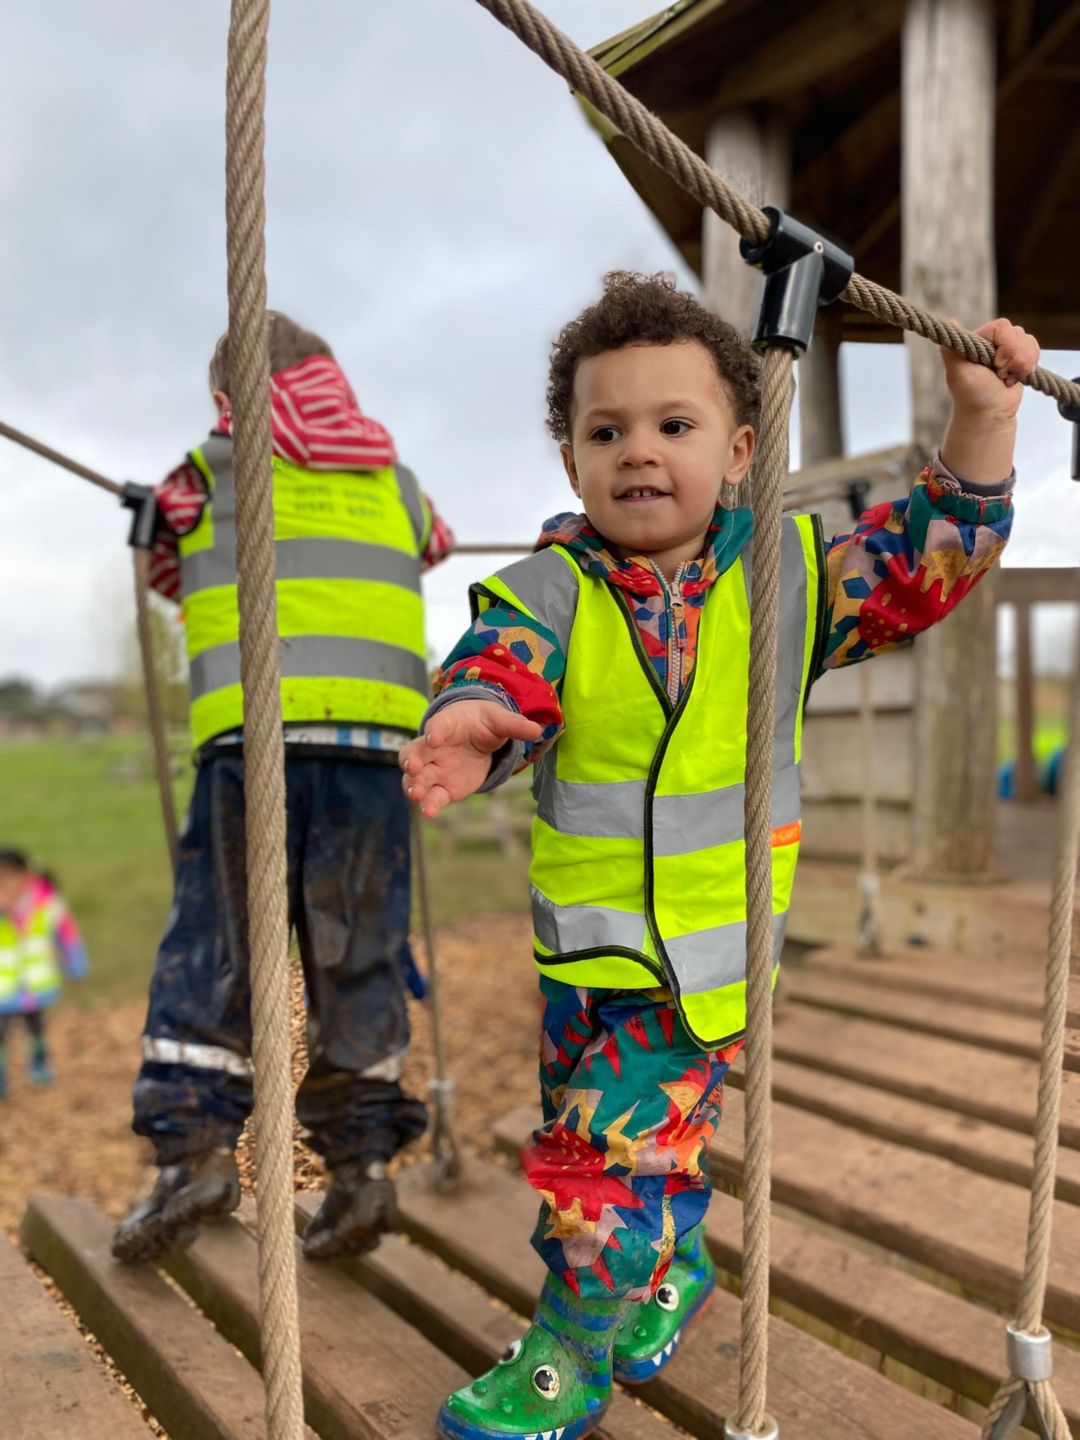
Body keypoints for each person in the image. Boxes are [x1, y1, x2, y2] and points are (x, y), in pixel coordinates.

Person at [399, 272, 1038, 1440]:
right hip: (583, 959)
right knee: (595, 1140)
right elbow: (504, 668)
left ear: (742, 449)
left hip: (704, 964)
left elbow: (926, 563)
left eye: (673, 425)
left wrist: (982, 421)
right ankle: (675, 1270)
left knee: (601, 1160)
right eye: (607, 431)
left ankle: (568, 1355)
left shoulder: (787, 578)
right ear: (570, 462)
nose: (639, 452)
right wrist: (474, 719)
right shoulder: (546, 586)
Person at [113, 311, 454, 1264]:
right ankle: (360, 1173)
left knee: (219, 943)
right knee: (360, 956)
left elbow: (167, 571)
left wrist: (159, 522)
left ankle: (195, 1156)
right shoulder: (399, 480)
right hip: (375, 756)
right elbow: (434, 544)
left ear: (229, 400)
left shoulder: (209, 466)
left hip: (252, 745)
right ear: (333, 387)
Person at [0, 848, 89, 1096]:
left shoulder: (46, 903)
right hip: (3, 987)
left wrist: (76, 962)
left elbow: (67, 933)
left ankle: (40, 1064)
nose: (4, 886)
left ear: (25, 876)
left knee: (36, 1028)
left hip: (35, 984)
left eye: (8, 878)